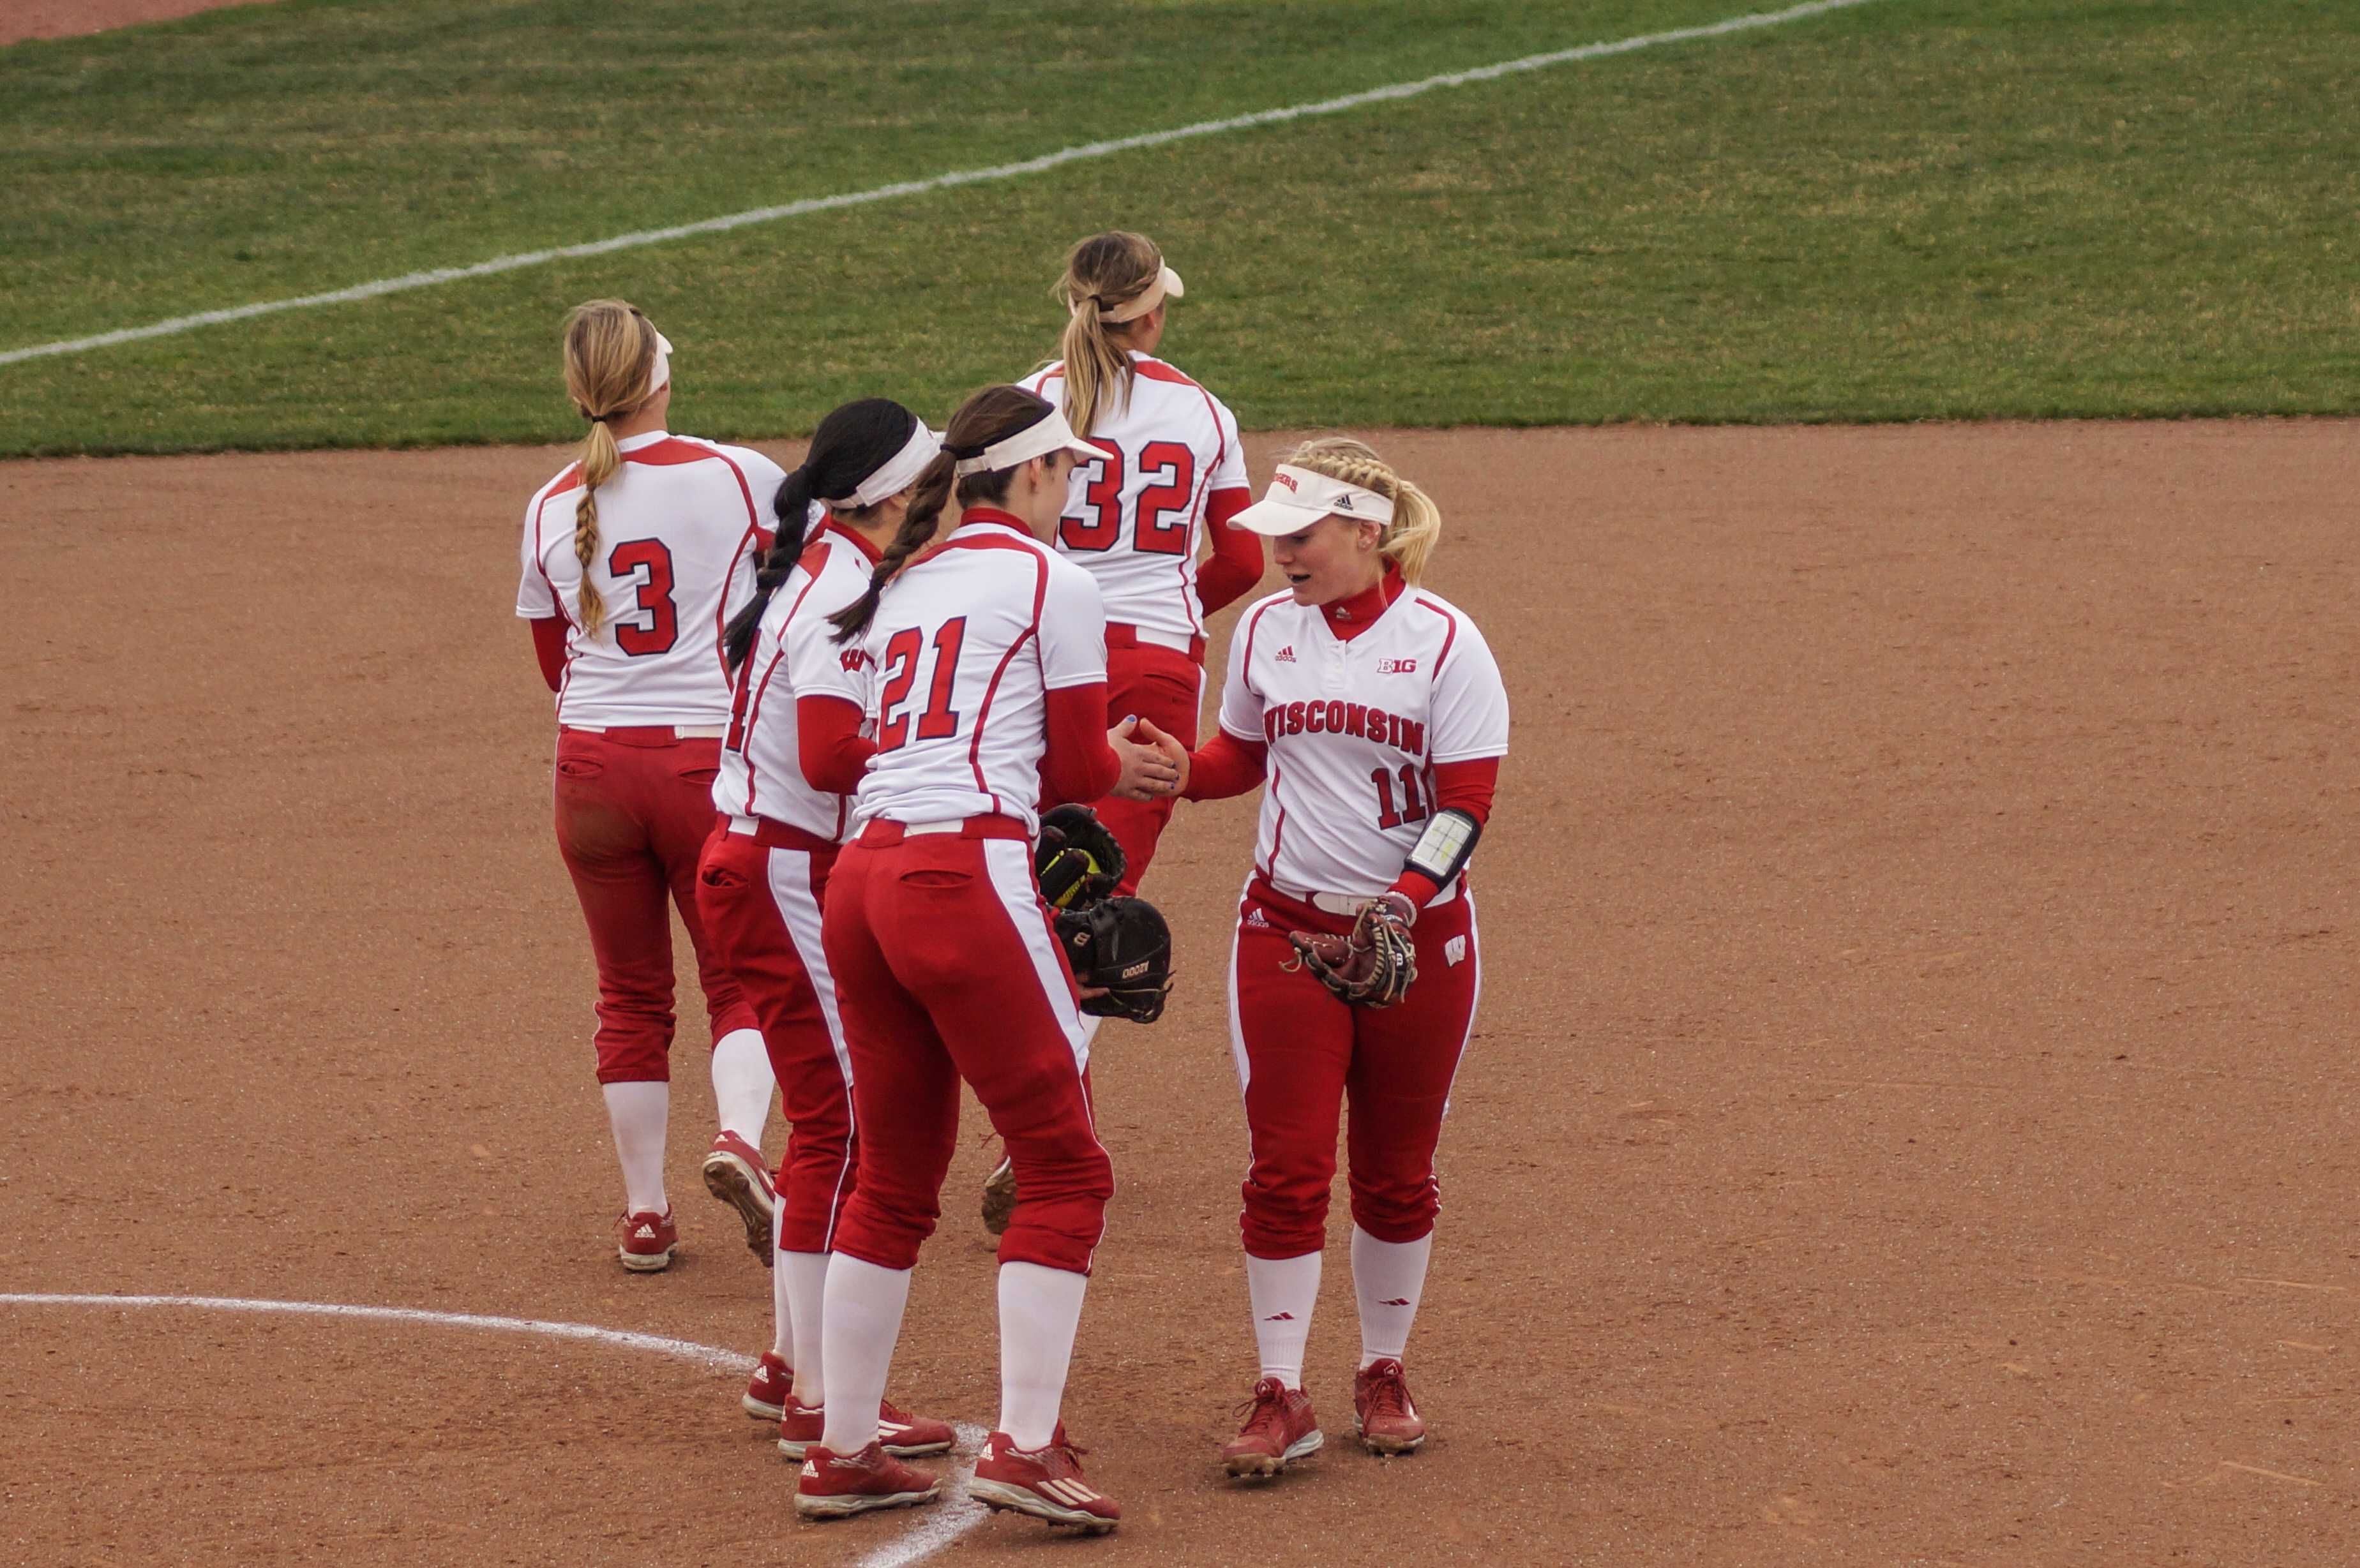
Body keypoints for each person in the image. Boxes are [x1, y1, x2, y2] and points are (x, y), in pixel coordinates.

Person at [790, 385, 1179, 1532]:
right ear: (1033, 477)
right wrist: (1126, 762)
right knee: (1064, 1169)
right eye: (1067, 470)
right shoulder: (1055, 578)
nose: (1076, 488)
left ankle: (843, 1447)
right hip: (960, 878)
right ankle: (1021, 1445)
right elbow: (1068, 761)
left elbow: (852, 748)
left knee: (894, 1177)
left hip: (860, 882)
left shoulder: (892, 578)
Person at [1164, 438, 1510, 1476]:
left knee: (1397, 1178)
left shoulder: (1446, 642)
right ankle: (1281, 1389)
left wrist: (1400, 909)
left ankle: (1382, 1367)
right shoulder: (1269, 628)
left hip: (1421, 942)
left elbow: (1466, 805)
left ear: (1365, 530)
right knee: (1285, 1168)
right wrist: (1178, 772)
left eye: (1301, 537)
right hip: (1282, 931)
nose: (1280, 558)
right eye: (1274, 539)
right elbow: (1243, 754)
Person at [977, 231, 1260, 1232]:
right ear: (1149, 315)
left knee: (1027, 878)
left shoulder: (1024, 400)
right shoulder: (1201, 408)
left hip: (1034, 651)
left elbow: (986, 527)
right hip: (1149, 665)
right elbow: (1244, 557)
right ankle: (1046, 1135)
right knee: (1098, 898)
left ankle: (1045, 1126)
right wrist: (1178, 606)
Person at [696, 398, 952, 1461]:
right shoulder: (846, 584)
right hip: (784, 867)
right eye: (928, 475)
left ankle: (786, 1367)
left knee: (826, 1118)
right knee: (844, 1125)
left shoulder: (811, 564)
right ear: (891, 493)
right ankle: (814, 1393)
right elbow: (824, 752)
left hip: (756, 855)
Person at [515, 299, 781, 1273]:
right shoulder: (736, 473)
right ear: (661, 375)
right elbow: (810, 579)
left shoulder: (550, 502)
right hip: (705, 767)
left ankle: (643, 1213)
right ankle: (742, 1141)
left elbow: (557, 663)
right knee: (742, 977)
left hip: (589, 770)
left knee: (628, 994)